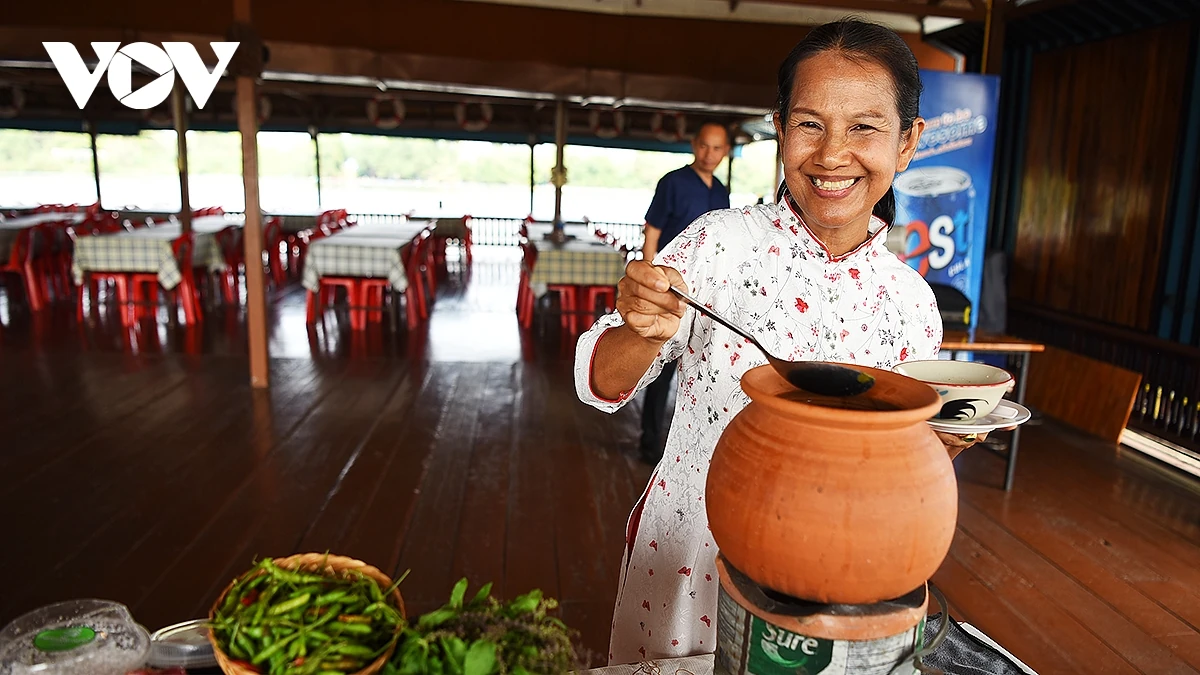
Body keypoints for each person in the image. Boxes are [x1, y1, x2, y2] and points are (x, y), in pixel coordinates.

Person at [573, 18, 984, 665]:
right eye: (810, 124)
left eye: (865, 127)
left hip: (836, 573)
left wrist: (942, 445)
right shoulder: (718, 243)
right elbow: (598, 381)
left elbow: (900, 465)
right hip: (691, 558)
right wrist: (641, 329)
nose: (832, 154)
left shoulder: (911, 303)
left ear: (908, 142)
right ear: (781, 129)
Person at [639, 123, 732, 464]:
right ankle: (649, 440)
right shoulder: (673, 182)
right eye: (704, 146)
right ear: (694, 145)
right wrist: (649, 281)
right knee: (662, 367)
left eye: (717, 148)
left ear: (725, 151)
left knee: (704, 364)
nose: (710, 154)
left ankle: (695, 445)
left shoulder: (720, 191)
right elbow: (652, 232)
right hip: (671, 288)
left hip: (706, 292)